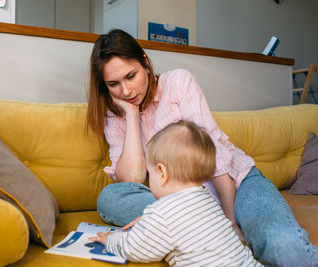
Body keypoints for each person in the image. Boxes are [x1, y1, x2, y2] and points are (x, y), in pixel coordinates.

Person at [86, 29, 318, 266]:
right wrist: (132, 114)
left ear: (145, 63)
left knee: (285, 248)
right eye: (114, 84)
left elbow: (216, 156)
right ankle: (171, 226)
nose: (126, 92)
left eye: (131, 76)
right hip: (181, 204)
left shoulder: (178, 82)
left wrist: (230, 224)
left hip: (235, 183)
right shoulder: (115, 113)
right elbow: (132, 180)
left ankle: (180, 227)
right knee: (111, 198)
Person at [90, 120, 263, 266]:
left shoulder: (161, 212)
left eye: (150, 173)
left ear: (162, 173)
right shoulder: (207, 199)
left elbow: (135, 249)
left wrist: (110, 240)